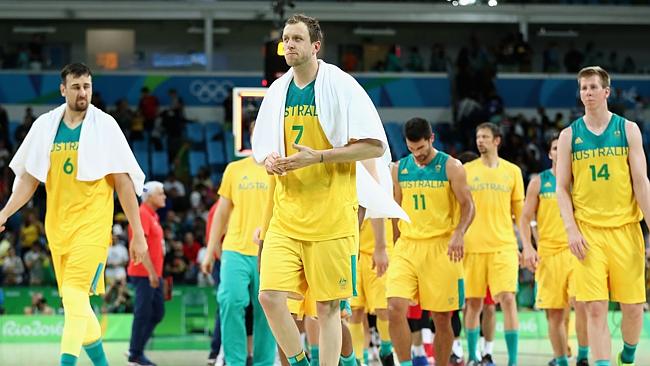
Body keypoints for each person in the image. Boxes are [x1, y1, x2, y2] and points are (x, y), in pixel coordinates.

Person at [252, 13, 387, 366]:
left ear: (315, 46)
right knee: (269, 297)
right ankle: (299, 361)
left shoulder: (342, 85)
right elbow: (264, 145)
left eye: (297, 38)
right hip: (288, 213)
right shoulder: (277, 91)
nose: (289, 45)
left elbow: (375, 147)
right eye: (286, 39)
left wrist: (321, 157)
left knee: (328, 309)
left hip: (332, 216)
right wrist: (268, 160)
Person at [1, 62, 147, 366]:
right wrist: (3, 214)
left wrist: (138, 234)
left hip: (92, 227)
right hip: (58, 228)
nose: (83, 93)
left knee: (75, 294)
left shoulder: (105, 125)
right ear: (63, 89)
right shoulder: (44, 126)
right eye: (77, 87)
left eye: (87, 86)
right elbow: (29, 179)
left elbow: (122, 182)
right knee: (74, 302)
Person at [556, 66, 648, 366]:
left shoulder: (628, 129)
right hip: (588, 233)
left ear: (606, 92)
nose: (588, 93)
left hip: (625, 229)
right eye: (583, 88)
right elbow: (561, 188)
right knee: (594, 308)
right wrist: (570, 228)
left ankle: (629, 354)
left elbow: (641, 183)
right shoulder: (569, 135)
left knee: (633, 309)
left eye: (594, 87)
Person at [387, 117, 475, 365]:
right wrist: (395, 244)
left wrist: (459, 233)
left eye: (422, 149)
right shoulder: (399, 168)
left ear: (431, 139)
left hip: (441, 247)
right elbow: (397, 208)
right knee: (394, 308)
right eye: (412, 149)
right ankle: (405, 363)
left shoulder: (452, 166)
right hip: (407, 246)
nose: (417, 155)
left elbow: (469, 205)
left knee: (442, 318)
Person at [201, 121, 276, 366]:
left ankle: (264, 362)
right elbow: (222, 213)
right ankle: (234, 361)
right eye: (255, 132)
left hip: (270, 251)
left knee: (268, 310)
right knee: (230, 300)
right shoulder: (234, 169)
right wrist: (211, 250)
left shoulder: (282, 169)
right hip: (234, 249)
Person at [520, 136, 590, 366]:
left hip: (578, 251)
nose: (560, 152)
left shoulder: (580, 180)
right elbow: (525, 218)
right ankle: (560, 360)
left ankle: (583, 357)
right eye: (555, 148)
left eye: (564, 148)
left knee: (582, 306)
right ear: (549, 154)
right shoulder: (539, 182)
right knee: (555, 313)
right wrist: (528, 247)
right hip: (549, 255)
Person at [463, 122, 524, 366]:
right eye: (478, 136)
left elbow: (520, 214)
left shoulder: (513, 172)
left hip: (504, 246)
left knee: (508, 299)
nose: (480, 141)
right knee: (474, 303)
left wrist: (526, 247)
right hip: (473, 246)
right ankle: (473, 357)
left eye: (485, 136)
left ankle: (512, 361)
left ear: (497, 140)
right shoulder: (466, 170)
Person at [127, 181, 167, 366]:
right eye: (160, 193)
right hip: (144, 272)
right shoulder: (142, 214)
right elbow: (140, 245)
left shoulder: (152, 216)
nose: (164, 196)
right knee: (143, 312)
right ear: (149, 196)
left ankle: (136, 349)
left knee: (157, 312)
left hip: (153, 273)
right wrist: (151, 273)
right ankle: (135, 354)